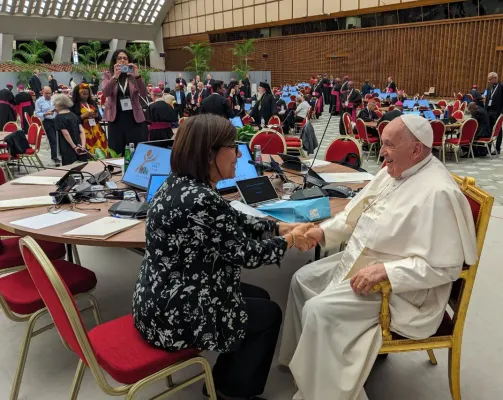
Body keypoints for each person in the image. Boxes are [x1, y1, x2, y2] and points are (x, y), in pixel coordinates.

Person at [279, 115, 478, 400]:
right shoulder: (393, 169)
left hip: (404, 291)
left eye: (388, 144)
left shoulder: (439, 193)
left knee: (318, 310)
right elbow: (354, 214)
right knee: (301, 279)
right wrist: (322, 234)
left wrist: (387, 272)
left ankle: (322, 392)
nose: (381, 152)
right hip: (366, 260)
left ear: (416, 150)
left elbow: (443, 267)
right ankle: (307, 368)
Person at [132, 114, 314, 400]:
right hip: (174, 314)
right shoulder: (201, 199)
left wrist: (280, 227)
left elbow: (233, 219)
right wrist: (291, 239)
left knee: (259, 296)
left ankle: (223, 379)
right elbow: (246, 254)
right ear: (209, 154)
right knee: (268, 314)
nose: (239, 154)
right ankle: (233, 392)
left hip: (160, 297)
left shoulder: (180, 184)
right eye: (233, 146)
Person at [101, 48, 148, 156]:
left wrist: (137, 76)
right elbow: (106, 93)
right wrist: (115, 77)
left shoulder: (133, 76)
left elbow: (144, 93)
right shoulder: (108, 75)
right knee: (116, 150)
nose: (122, 61)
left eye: (125, 58)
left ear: (129, 61)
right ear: (114, 61)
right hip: (116, 118)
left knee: (136, 151)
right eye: (119, 58)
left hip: (134, 118)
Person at [71, 83, 108, 157]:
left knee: (101, 150)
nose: (86, 96)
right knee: (89, 152)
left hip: (96, 130)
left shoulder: (92, 102)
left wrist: (97, 115)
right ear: (78, 94)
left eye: (87, 94)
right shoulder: (74, 105)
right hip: (84, 132)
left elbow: (100, 117)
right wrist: (83, 116)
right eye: (83, 94)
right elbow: (72, 120)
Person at [52, 94, 87, 166]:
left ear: (58, 104)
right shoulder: (74, 115)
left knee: (69, 167)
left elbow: (65, 133)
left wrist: (74, 147)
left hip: (68, 146)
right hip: (79, 144)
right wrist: (83, 145)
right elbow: (82, 131)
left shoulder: (58, 118)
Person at [484, 72, 503, 154]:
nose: (489, 81)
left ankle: (498, 148)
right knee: (489, 129)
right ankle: (488, 147)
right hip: (489, 111)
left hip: (498, 112)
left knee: (498, 130)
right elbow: (488, 99)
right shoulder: (489, 87)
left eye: (490, 79)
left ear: (495, 78)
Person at [35, 87, 59, 166]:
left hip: (56, 119)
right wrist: (45, 114)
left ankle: (59, 154)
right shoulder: (39, 101)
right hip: (47, 121)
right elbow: (37, 113)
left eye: (50, 93)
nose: (48, 95)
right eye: (46, 93)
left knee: (59, 138)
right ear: (42, 93)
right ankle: (55, 157)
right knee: (53, 140)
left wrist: (57, 109)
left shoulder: (54, 99)